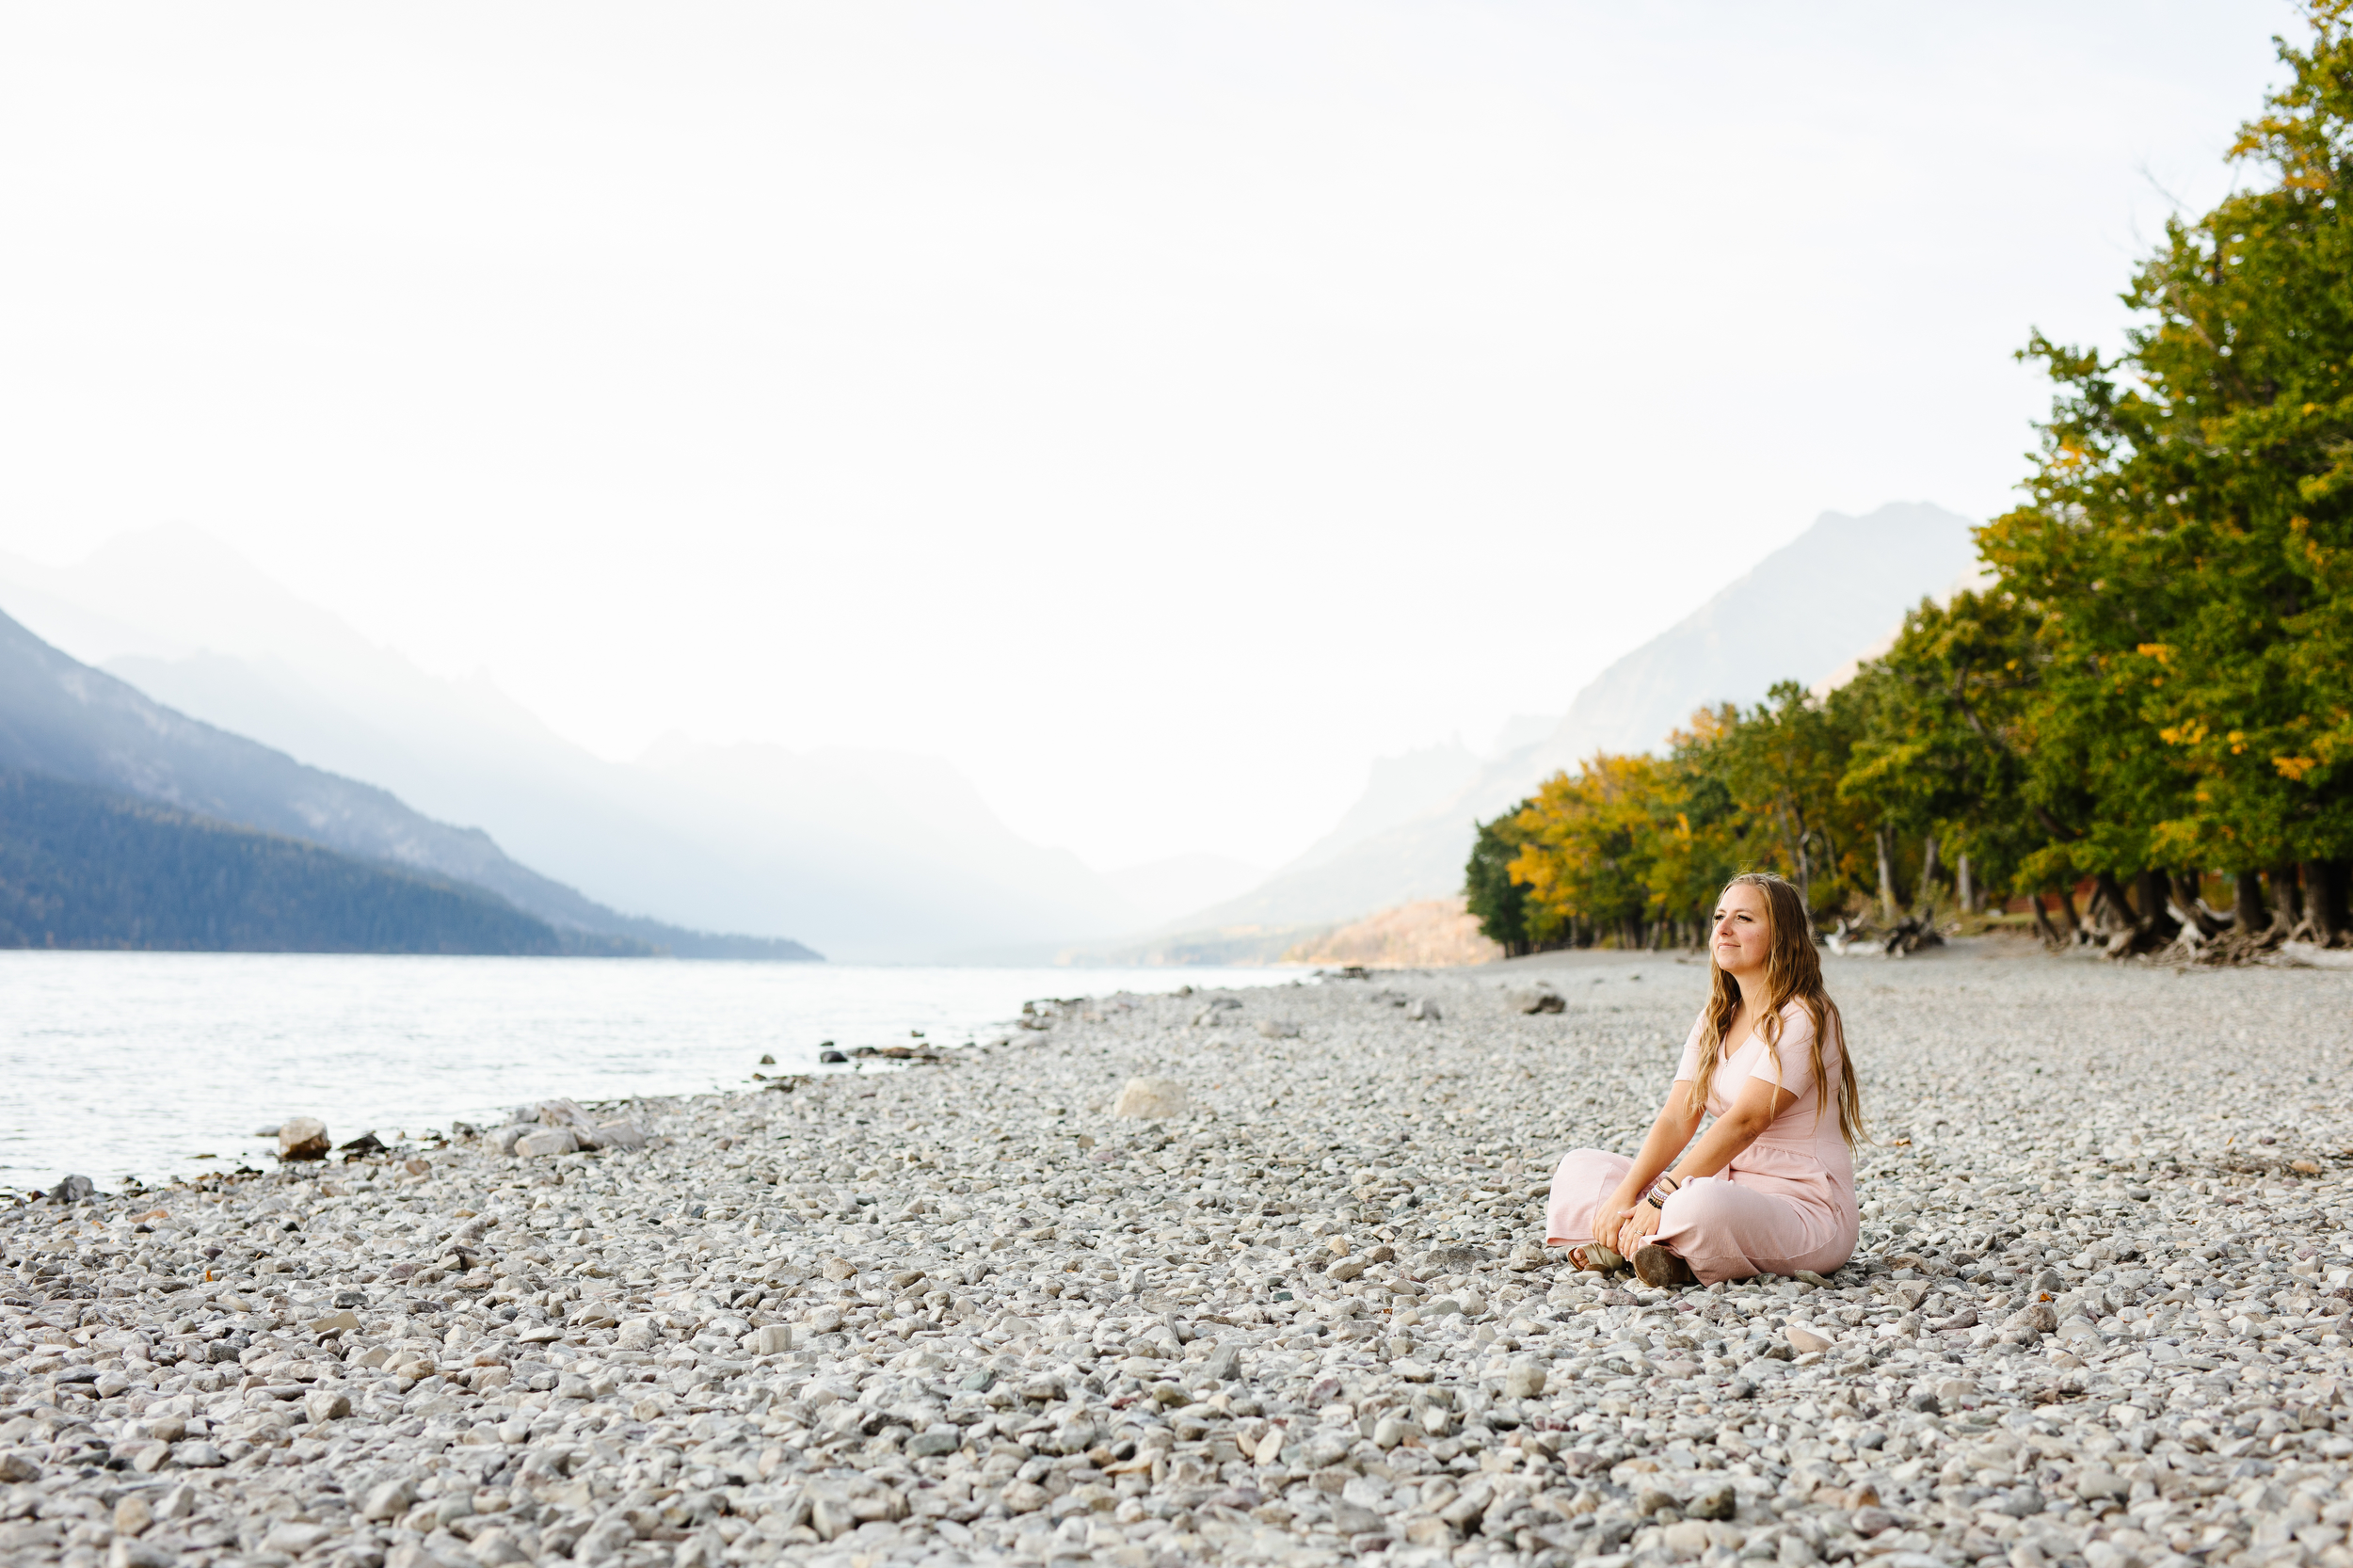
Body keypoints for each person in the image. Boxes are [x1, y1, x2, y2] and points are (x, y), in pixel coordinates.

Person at [1543, 872, 1863, 1288]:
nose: (1723, 929)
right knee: (1580, 1167)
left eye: (1743, 918)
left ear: (1781, 936)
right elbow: (1677, 1117)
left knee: (1699, 1205)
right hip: (1721, 1181)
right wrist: (1627, 1193)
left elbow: (1747, 1122)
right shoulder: (1716, 1017)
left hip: (1802, 1209)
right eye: (1718, 917)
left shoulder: (1805, 1014)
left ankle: (1643, 1245)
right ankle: (1660, 1250)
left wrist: (1661, 1196)